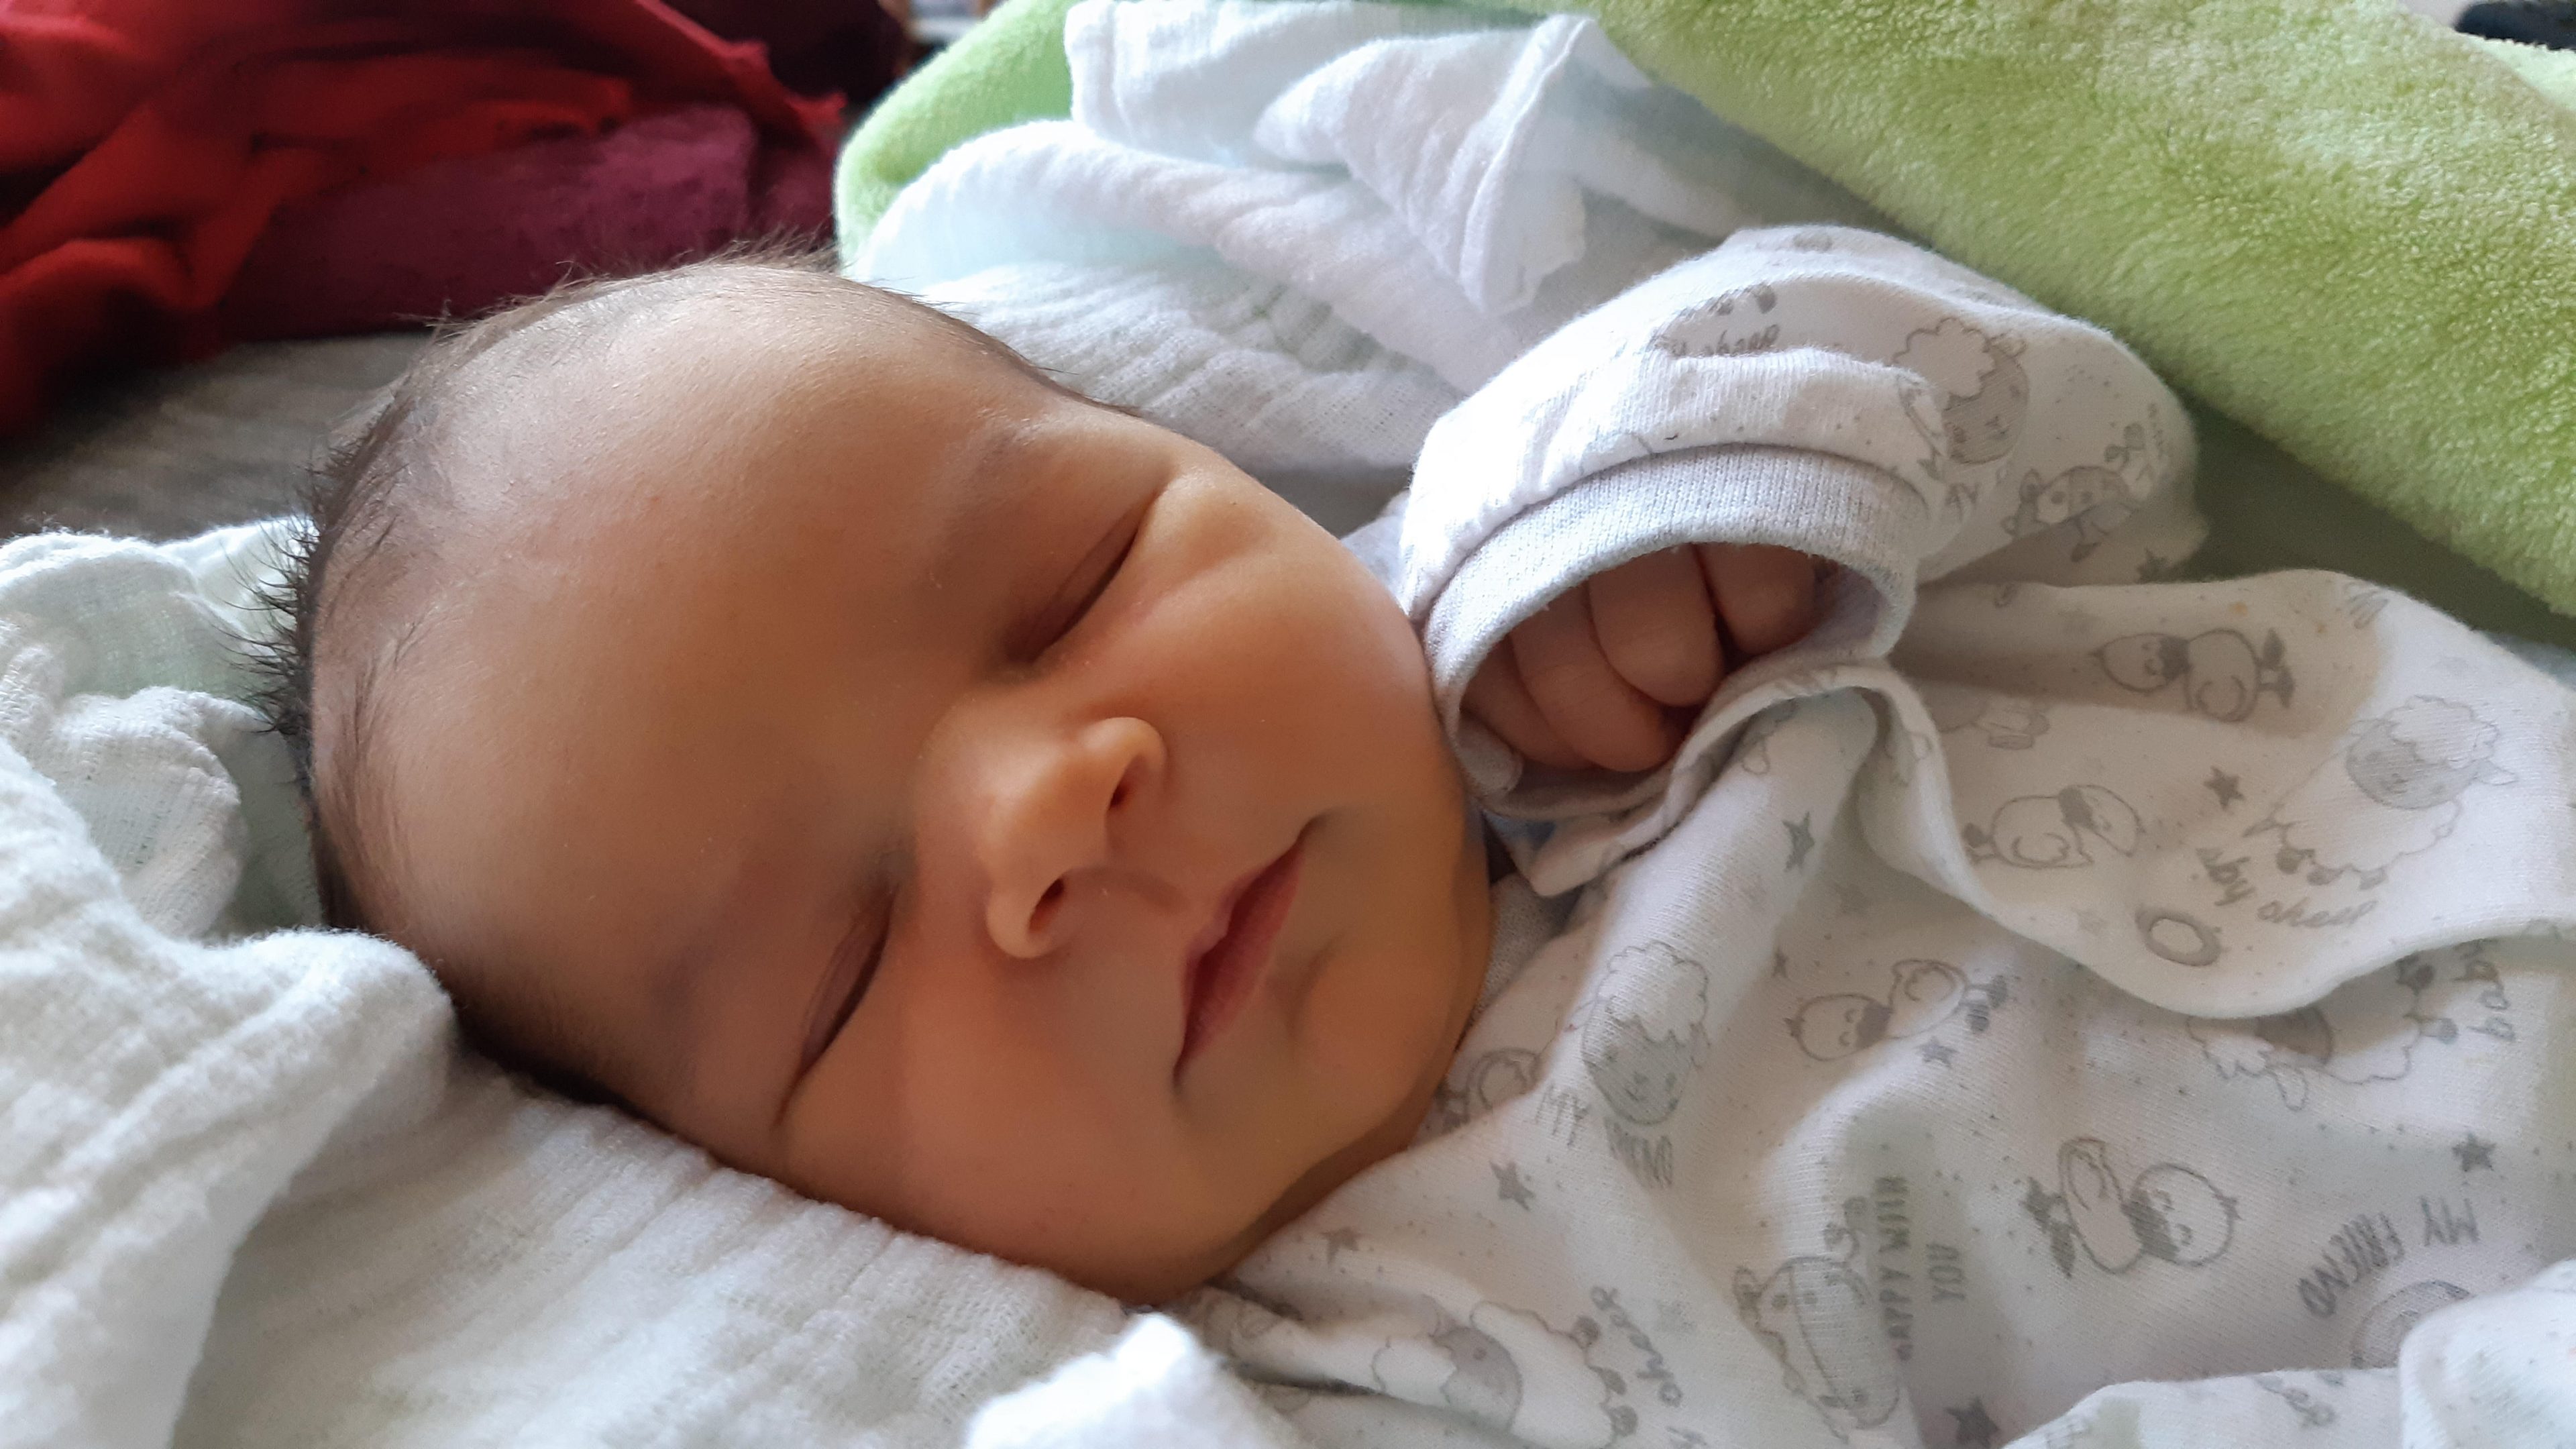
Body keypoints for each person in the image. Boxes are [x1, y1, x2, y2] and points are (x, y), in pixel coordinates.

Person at [254, 227, 2576, 1444]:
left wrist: (1661, 487)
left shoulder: (1570, 585)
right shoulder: (1379, 1370)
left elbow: (2093, 442)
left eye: (1068, 586)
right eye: (844, 961)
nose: (1055, 799)